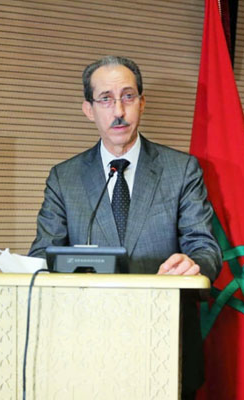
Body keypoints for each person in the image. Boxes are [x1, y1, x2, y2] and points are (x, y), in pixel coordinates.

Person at [28, 55, 222, 397]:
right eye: (105, 99)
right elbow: (44, 254)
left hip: (167, 344)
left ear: (141, 103)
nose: (118, 110)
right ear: (88, 110)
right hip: (86, 350)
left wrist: (194, 265)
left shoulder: (181, 170)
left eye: (127, 97)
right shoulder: (64, 178)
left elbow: (205, 249)